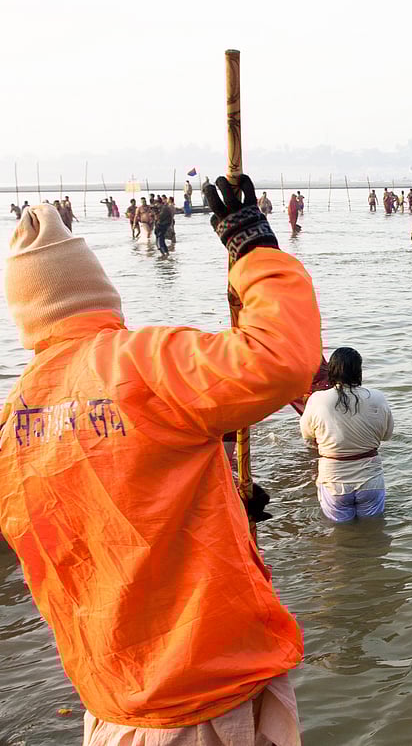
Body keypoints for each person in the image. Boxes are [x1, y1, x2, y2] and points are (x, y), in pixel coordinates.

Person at [0, 176, 320, 743]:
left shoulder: (12, 422)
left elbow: (116, 515)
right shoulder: (142, 361)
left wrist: (224, 499)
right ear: (98, 290)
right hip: (210, 693)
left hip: (113, 702)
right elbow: (283, 358)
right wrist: (255, 253)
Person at [300, 347, 394, 522]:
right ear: (359, 371)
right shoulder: (378, 397)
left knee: (340, 535)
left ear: (331, 371)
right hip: (371, 480)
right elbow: (387, 435)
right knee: (373, 530)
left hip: (334, 480)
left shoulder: (318, 399)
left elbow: (306, 434)